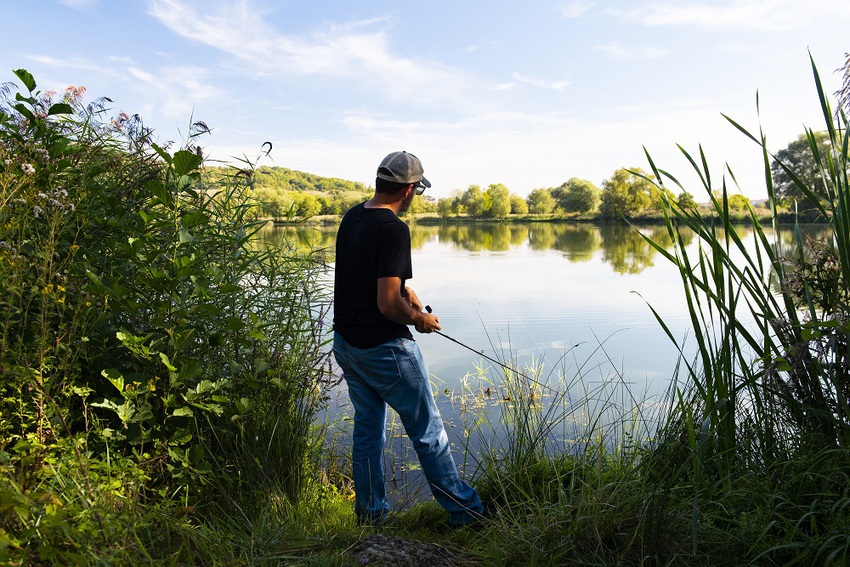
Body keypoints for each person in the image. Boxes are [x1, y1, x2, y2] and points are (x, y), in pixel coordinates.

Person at [332, 150, 484, 527]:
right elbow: (386, 304)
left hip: (348, 346)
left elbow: (375, 280)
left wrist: (408, 294)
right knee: (429, 432)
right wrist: (419, 319)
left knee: (367, 432)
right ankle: (466, 515)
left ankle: (370, 517)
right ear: (409, 189)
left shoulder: (353, 216)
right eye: (417, 188)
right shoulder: (395, 229)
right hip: (385, 351)